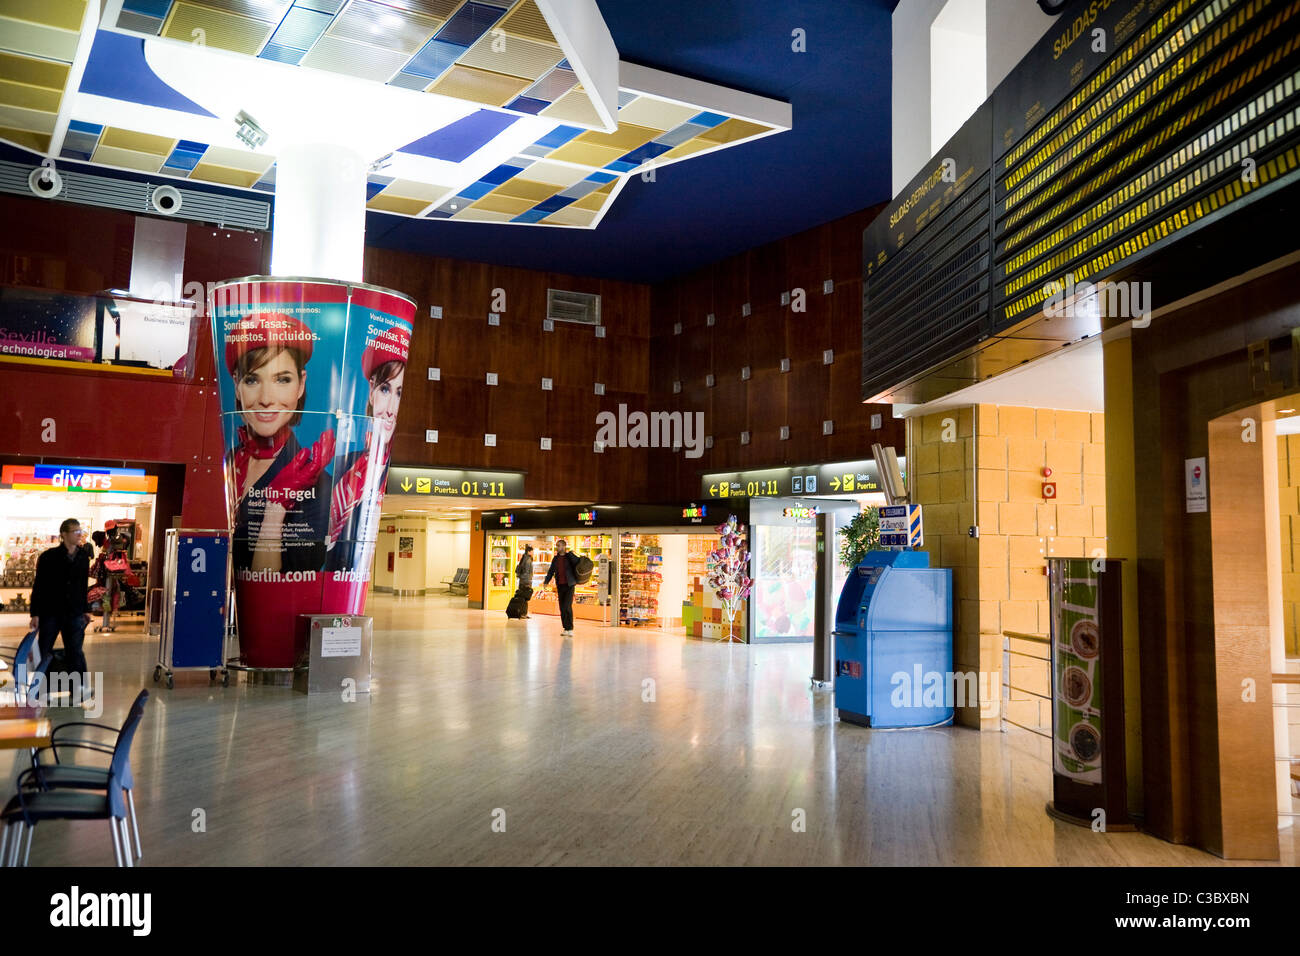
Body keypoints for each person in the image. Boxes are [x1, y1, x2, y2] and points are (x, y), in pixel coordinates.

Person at [226, 312, 333, 573]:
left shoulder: (319, 488)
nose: (266, 398)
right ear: (236, 385)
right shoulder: (227, 461)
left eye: (282, 379)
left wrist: (275, 508)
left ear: (300, 385)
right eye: (252, 379)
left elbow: (275, 585)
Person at [326, 324, 410, 573]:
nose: (391, 408)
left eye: (399, 393)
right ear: (372, 392)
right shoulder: (343, 465)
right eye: (385, 389)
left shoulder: (389, 473)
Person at [28, 518, 91, 685]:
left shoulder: (83, 557)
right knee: (44, 650)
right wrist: (35, 613)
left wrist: (85, 609)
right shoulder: (49, 557)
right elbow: (39, 586)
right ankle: (41, 687)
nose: (79, 534)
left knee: (75, 652)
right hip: (51, 612)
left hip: (74, 612)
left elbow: (83, 585)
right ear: (64, 534)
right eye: (75, 531)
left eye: (80, 531)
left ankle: (77, 688)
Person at [90, 524, 127, 632]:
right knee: (111, 593)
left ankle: (108, 616)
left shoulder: (110, 544)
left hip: (109, 575)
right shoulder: (113, 543)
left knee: (109, 593)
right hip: (109, 575)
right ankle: (108, 614)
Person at [540, 538, 580, 637]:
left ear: (564, 546)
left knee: (567, 606)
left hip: (569, 585)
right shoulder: (555, 559)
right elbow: (551, 571)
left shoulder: (569, 557)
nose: (557, 547)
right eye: (557, 546)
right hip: (560, 585)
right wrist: (546, 582)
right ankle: (565, 628)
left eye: (559, 545)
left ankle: (570, 628)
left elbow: (578, 562)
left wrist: (571, 554)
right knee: (562, 607)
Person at [514, 543, 534, 619]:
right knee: (525, 599)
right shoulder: (528, 560)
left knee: (522, 598)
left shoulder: (523, 558)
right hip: (526, 582)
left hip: (522, 581)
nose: (533, 553)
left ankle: (521, 613)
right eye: (532, 551)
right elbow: (527, 572)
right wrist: (528, 581)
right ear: (529, 551)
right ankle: (523, 614)